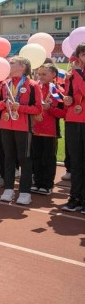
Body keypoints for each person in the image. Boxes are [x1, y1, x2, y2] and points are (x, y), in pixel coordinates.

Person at [0, 56, 42, 204]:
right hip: (6, 124)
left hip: (23, 127)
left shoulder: (32, 85)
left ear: (22, 67)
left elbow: (38, 109)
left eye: (12, 63)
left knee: (24, 159)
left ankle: (25, 192)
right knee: (8, 158)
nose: (8, 65)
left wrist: (20, 107)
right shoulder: (4, 84)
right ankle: (8, 189)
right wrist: (5, 104)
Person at [31, 63, 65, 196]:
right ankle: (37, 182)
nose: (41, 76)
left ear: (53, 75)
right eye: (39, 74)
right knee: (36, 157)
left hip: (50, 131)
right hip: (35, 129)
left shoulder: (58, 91)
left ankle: (47, 185)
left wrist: (50, 108)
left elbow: (63, 113)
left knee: (48, 158)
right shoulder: (35, 88)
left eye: (44, 74)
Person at [61, 42, 85, 212]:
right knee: (76, 161)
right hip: (73, 119)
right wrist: (67, 100)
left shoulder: (76, 73)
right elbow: (68, 96)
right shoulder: (72, 74)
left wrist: (78, 75)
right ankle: (75, 196)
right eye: (83, 54)